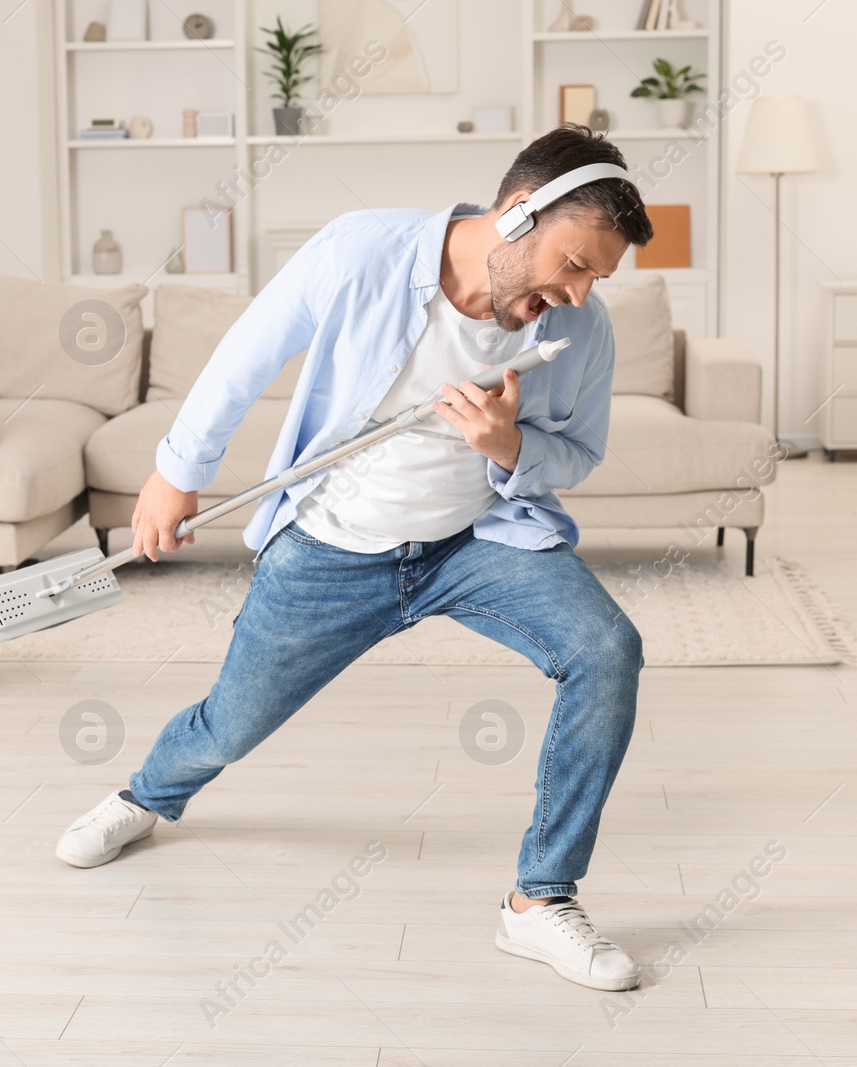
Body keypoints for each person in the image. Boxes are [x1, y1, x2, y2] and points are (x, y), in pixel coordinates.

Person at [56, 125, 653, 992]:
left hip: (476, 541)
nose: (578, 292)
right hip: (333, 546)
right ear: (519, 215)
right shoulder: (362, 249)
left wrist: (509, 443)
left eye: (597, 276)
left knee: (607, 649)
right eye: (573, 264)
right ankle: (146, 797)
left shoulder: (580, 330)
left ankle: (540, 901)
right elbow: (245, 355)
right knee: (233, 718)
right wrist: (175, 474)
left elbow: (578, 453)